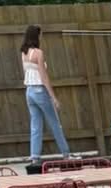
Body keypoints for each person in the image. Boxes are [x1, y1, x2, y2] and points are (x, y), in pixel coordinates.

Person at [21, 25, 70, 161]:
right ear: (36, 36)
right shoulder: (38, 53)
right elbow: (44, 76)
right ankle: (66, 153)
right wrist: (53, 97)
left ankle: (35, 156)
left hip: (29, 91)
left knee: (35, 125)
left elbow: (26, 72)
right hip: (39, 90)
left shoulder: (24, 53)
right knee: (54, 123)